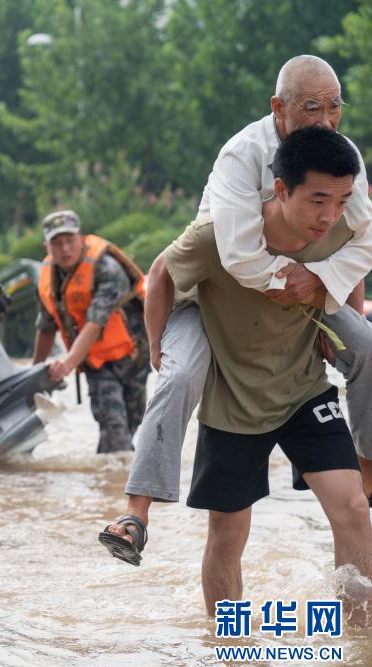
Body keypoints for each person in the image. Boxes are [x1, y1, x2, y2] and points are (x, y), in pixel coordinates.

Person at [100, 55, 372, 566]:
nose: (325, 120)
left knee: (367, 345)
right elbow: (228, 256)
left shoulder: (338, 163)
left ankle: (367, 466)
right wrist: (157, 345)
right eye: (310, 107)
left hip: (303, 287)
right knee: (179, 379)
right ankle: (137, 512)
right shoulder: (241, 157)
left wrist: (327, 296)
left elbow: (357, 244)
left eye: (334, 107)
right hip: (216, 289)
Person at [162, 127, 372, 616]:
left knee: (355, 510)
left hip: (304, 392)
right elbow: (160, 276)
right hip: (234, 402)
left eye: (342, 201)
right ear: (281, 189)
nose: (330, 216)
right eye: (319, 200)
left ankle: (359, 639)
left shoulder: (342, 236)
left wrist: (336, 314)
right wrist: (159, 347)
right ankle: (227, 645)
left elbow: (354, 276)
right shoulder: (219, 236)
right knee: (228, 534)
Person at [32, 210, 150, 453]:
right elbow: (46, 328)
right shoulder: (46, 279)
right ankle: (117, 483)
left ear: (81, 239)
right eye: (57, 243)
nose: (65, 249)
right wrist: (34, 376)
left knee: (132, 422)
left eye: (70, 241)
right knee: (114, 427)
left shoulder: (107, 268)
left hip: (134, 356)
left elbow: (95, 322)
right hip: (98, 365)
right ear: (47, 246)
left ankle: (109, 477)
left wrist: (67, 363)